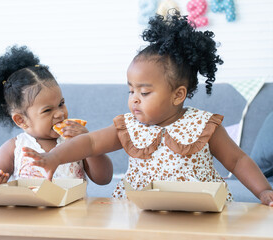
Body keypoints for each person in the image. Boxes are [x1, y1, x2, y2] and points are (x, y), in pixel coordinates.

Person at [22, 12, 273, 206]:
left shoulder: (204, 125)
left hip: (200, 210)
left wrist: (264, 191)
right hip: (140, 210)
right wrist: (54, 157)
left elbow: (238, 160)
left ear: (178, 95)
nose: (134, 99)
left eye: (144, 92)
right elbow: (89, 143)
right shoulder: (129, 126)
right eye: (131, 90)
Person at [0, 45, 113, 186]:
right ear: (21, 120)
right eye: (47, 110)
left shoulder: (76, 142)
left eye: (61, 103)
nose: (60, 113)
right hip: (28, 209)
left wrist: (88, 144)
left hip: (74, 209)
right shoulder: (14, 147)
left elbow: (104, 179)